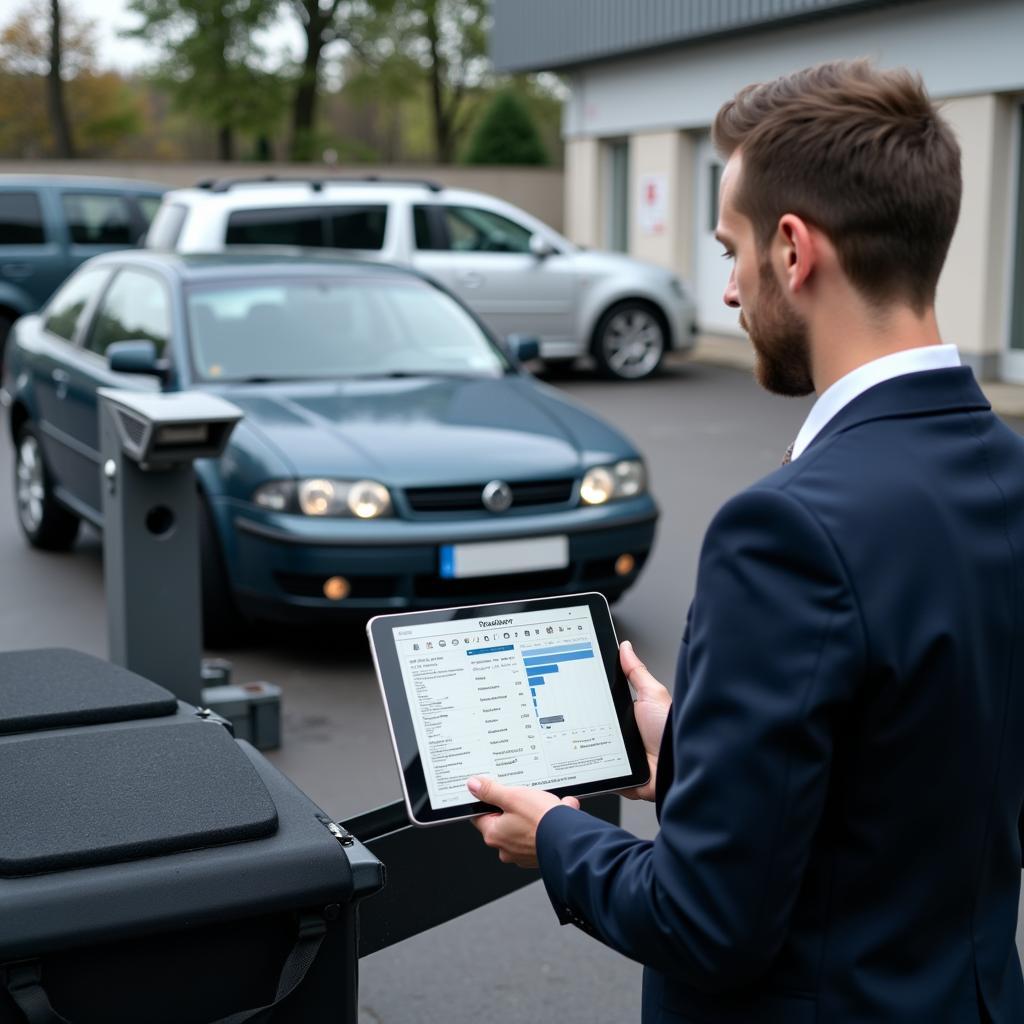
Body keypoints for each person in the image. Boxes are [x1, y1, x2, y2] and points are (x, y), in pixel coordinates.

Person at [466, 60, 1024, 1022]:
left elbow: (706, 924)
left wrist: (556, 837)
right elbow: (919, 773)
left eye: (732, 251)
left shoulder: (785, 530)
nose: (728, 292)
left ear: (794, 251)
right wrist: (689, 750)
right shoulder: (1007, 471)